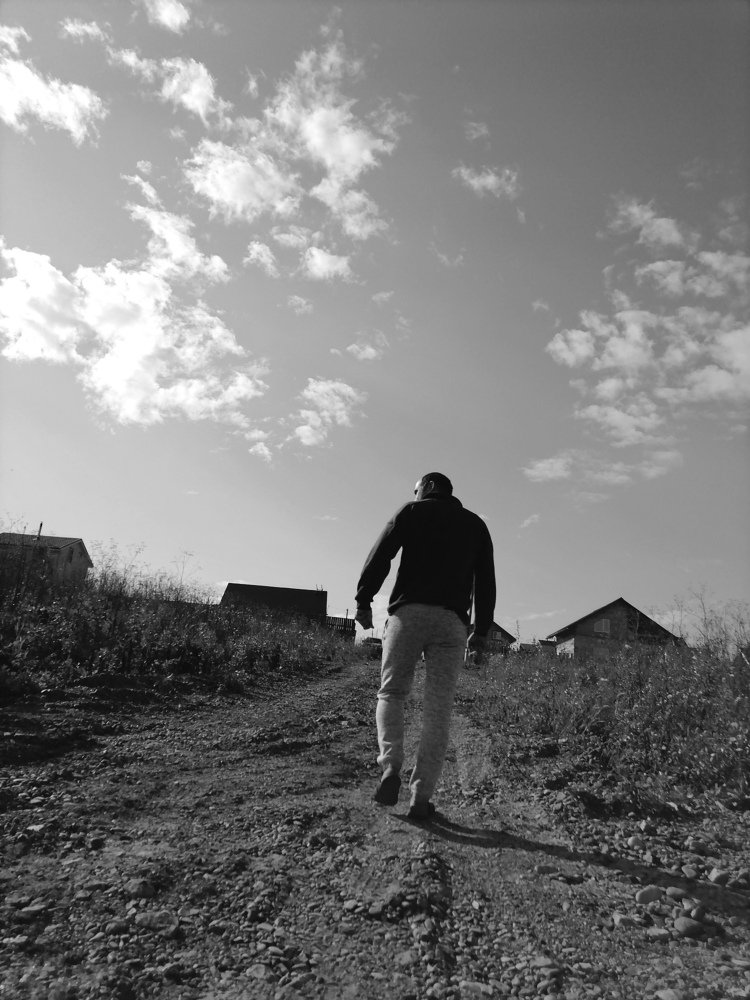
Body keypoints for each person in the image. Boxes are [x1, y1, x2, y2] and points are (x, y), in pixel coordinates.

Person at [355, 472, 496, 820]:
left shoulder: (411, 511)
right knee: (438, 709)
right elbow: (486, 581)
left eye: (416, 489)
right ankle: (421, 798)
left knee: (392, 693)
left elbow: (381, 555)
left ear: (429, 487)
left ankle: (391, 766)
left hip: (409, 615)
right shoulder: (476, 525)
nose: (415, 494)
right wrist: (481, 630)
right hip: (451, 623)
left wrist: (364, 599)